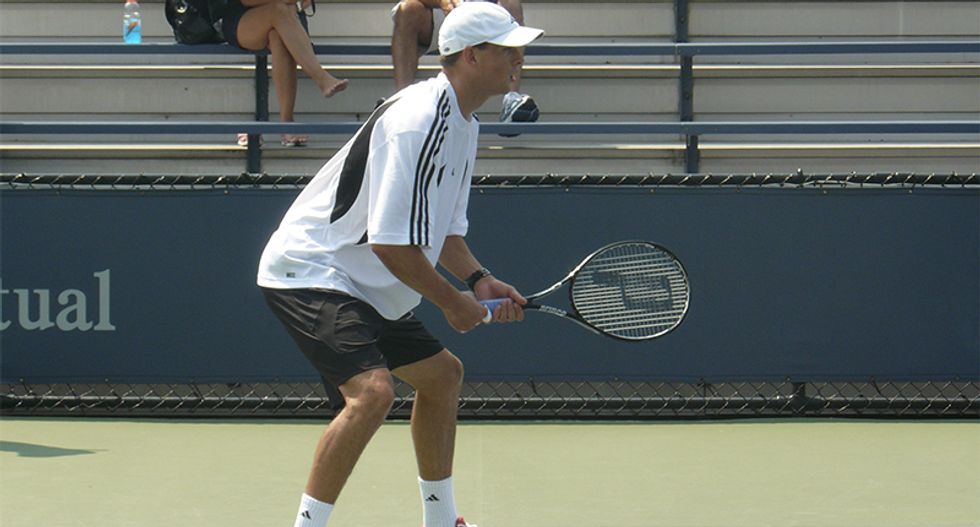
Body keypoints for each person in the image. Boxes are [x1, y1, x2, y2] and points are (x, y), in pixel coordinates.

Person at [256, 3, 543, 526]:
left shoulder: (465, 122)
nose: (519, 57)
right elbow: (391, 244)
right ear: (473, 56)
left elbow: (443, 231)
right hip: (313, 270)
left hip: (365, 282)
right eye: (508, 48)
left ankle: (441, 521)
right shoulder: (418, 121)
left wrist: (478, 280)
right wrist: (453, 303)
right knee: (372, 394)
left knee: (442, 377)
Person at [390, 0, 539, 132]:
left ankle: (512, 99)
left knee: (511, 3)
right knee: (407, 9)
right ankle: (401, 102)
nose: (519, 60)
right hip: (447, 12)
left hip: (488, 16)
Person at [222, 0, 349, 147]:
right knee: (278, 10)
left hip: (288, 19)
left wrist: (295, 4)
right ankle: (321, 77)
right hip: (242, 20)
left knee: (278, 36)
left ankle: (287, 124)